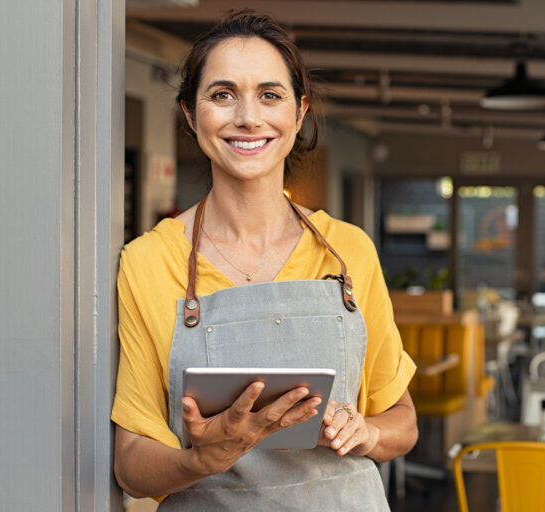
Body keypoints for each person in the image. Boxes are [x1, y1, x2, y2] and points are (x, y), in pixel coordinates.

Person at [111, 12, 417, 509]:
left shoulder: (347, 251)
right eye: (222, 94)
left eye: (269, 95)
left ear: (298, 114)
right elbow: (131, 464)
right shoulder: (151, 260)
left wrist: (364, 432)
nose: (248, 118)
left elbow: (401, 422)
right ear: (191, 114)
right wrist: (202, 459)